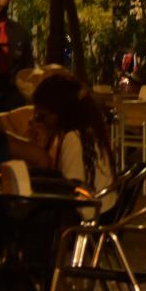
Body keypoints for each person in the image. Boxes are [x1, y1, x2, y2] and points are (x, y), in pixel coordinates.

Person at [29, 70, 117, 203]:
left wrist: (40, 149)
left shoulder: (74, 139)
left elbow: (71, 195)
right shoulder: (89, 129)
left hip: (92, 215)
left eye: (40, 117)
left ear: (59, 113)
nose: (38, 122)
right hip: (105, 208)